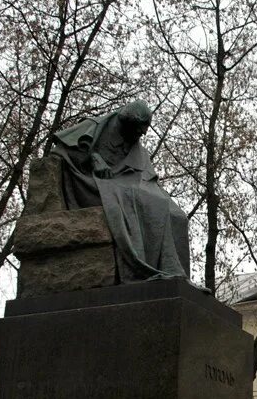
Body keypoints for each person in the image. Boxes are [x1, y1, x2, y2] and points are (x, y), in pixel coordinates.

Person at [50, 100, 191, 283]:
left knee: (178, 216)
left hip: (133, 184)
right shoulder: (94, 127)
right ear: (127, 124)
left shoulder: (137, 145)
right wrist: (93, 158)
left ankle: (176, 276)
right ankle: (150, 269)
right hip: (97, 184)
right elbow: (59, 152)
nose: (143, 133)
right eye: (139, 129)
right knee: (149, 204)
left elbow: (146, 175)